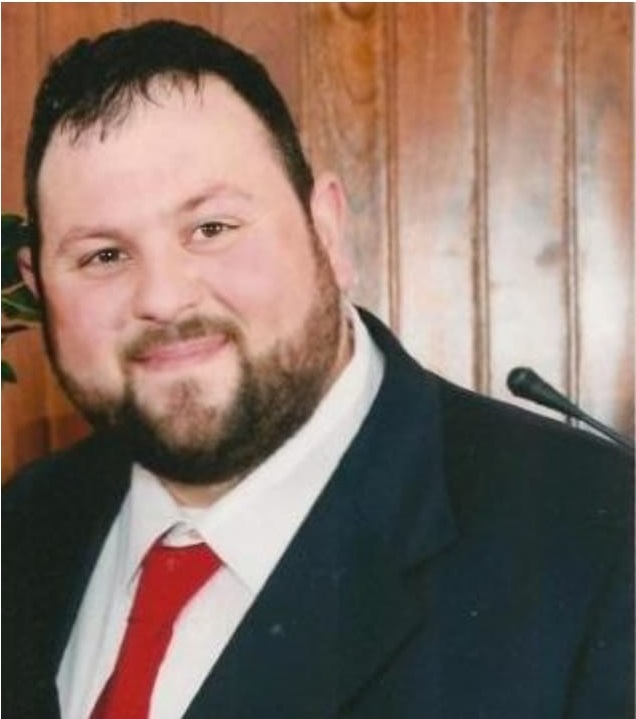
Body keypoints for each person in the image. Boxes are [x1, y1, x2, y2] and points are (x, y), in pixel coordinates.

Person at [2, 19, 633, 719]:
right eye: (103, 256)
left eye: (211, 228)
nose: (163, 297)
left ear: (326, 230)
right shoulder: (21, 529)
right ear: (39, 287)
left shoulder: (600, 544)